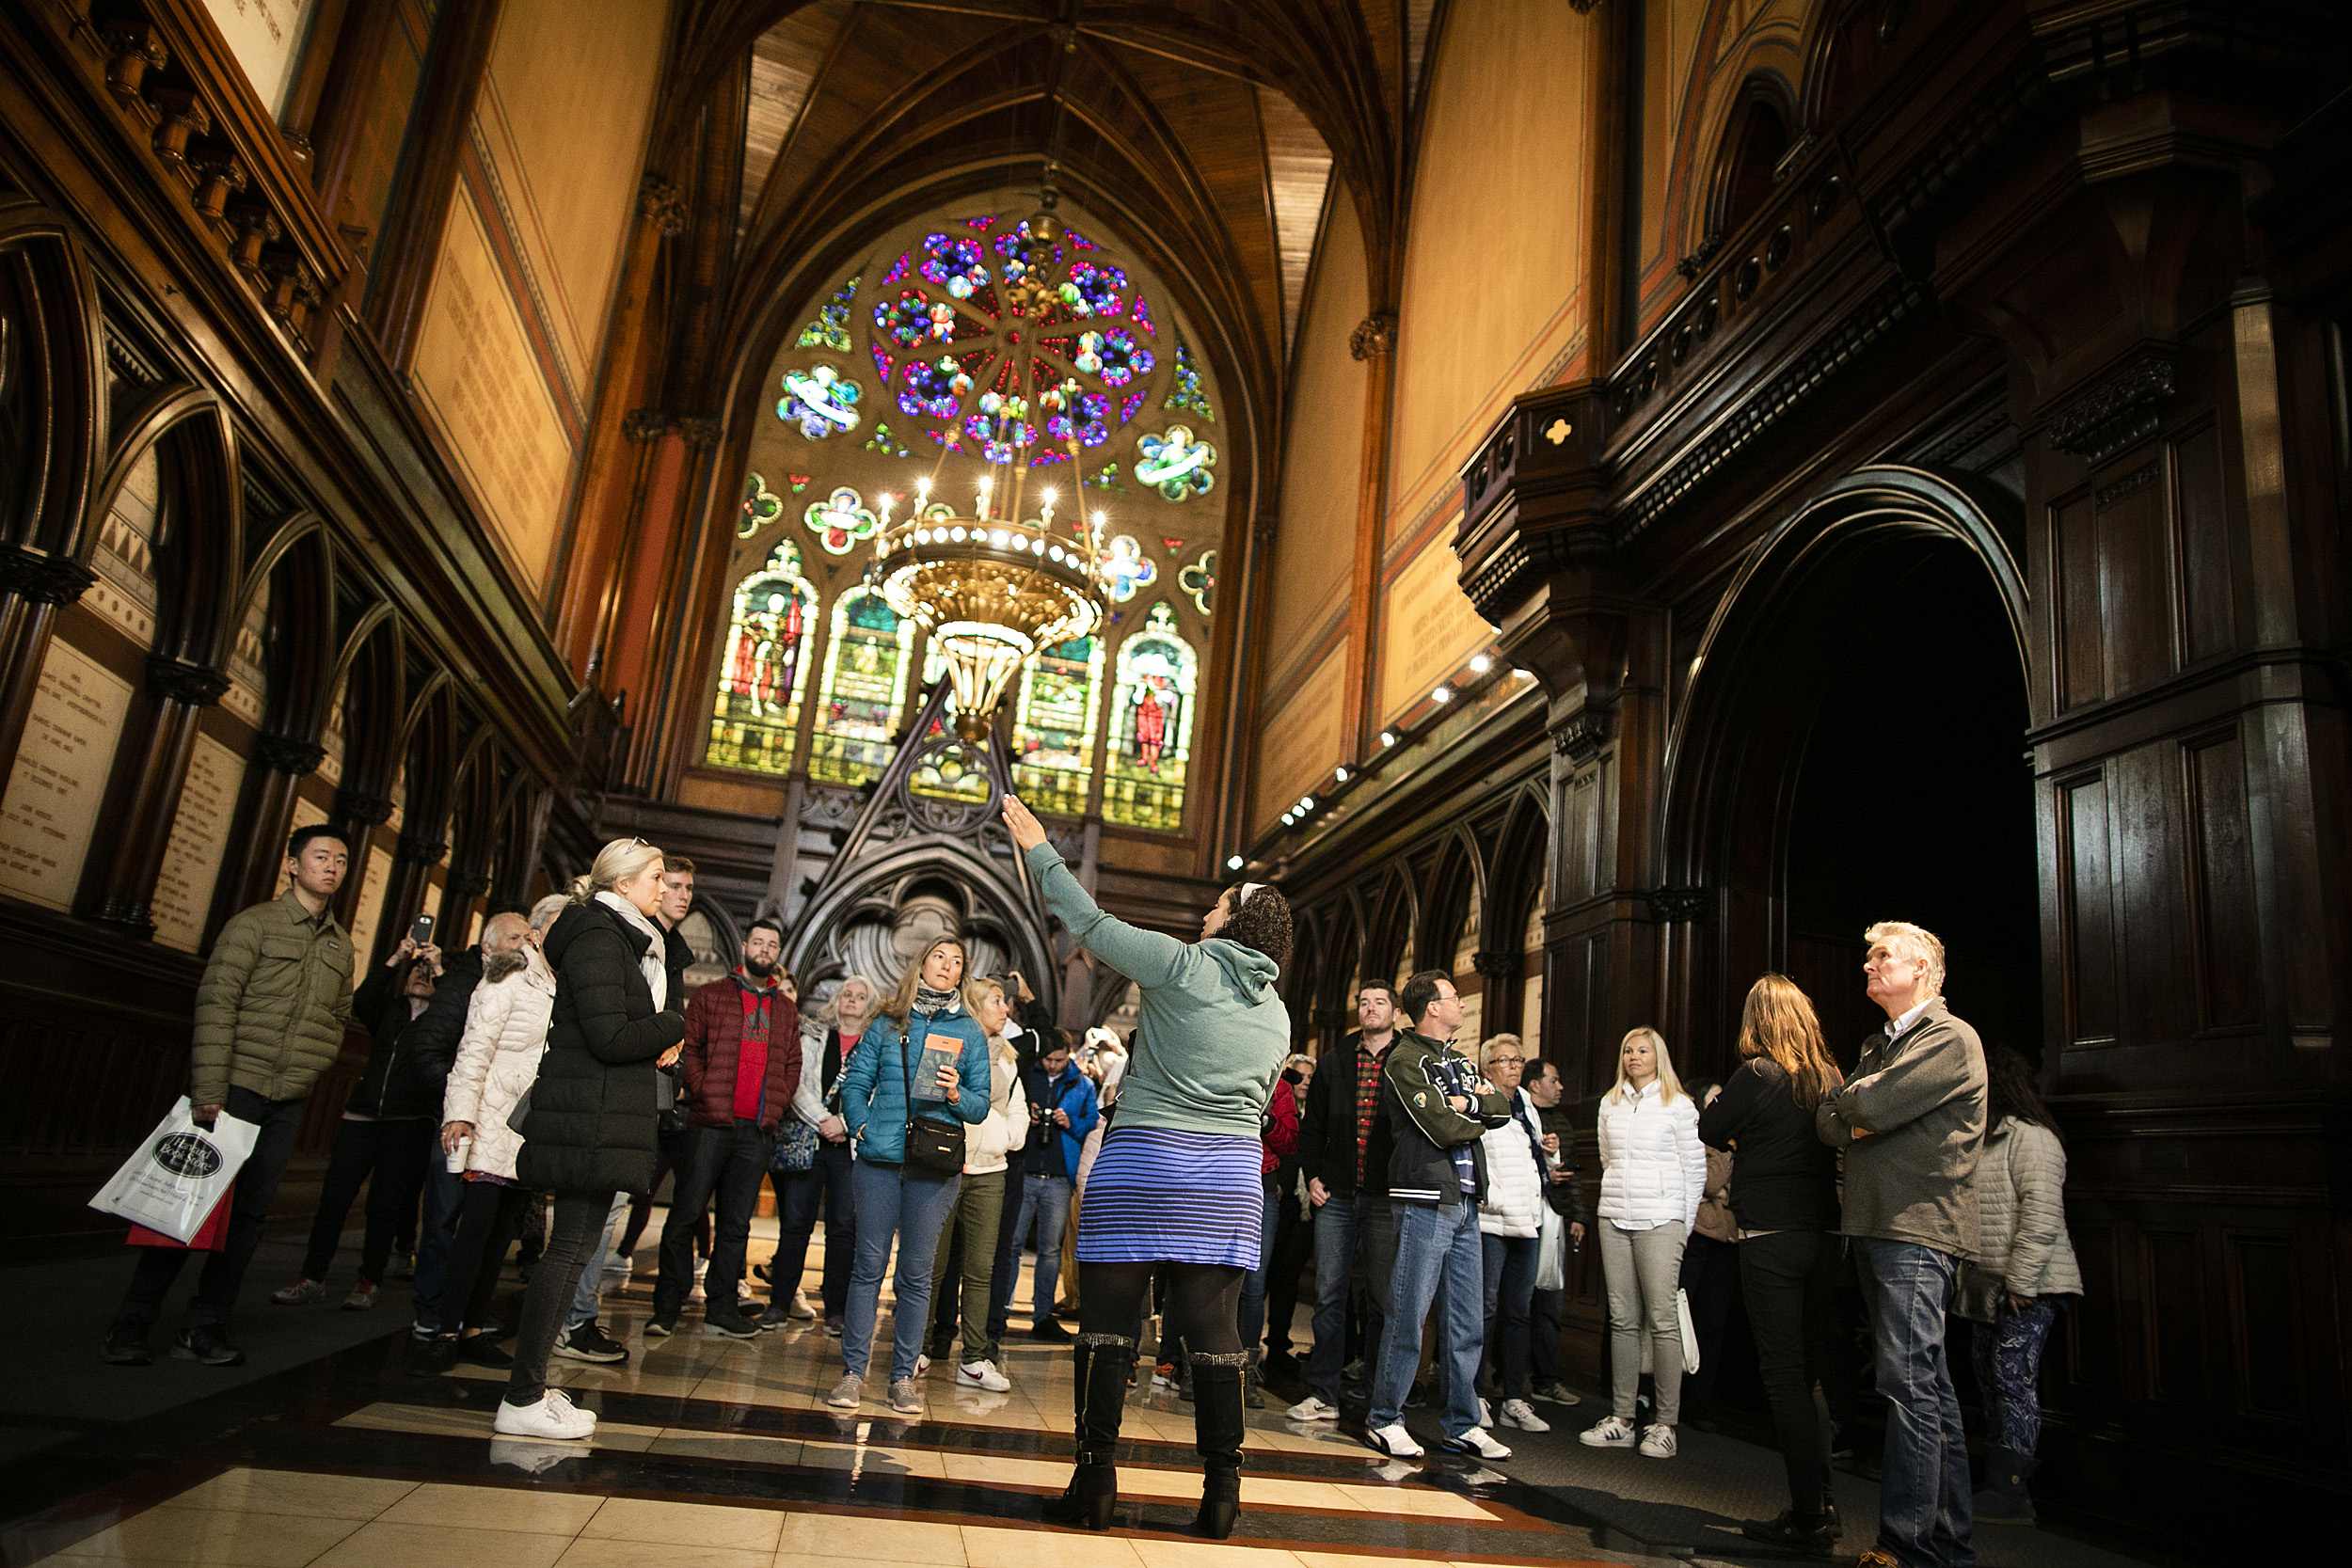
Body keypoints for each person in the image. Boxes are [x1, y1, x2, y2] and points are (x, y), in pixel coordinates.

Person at [1002, 794, 1290, 1541]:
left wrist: (1040, 849)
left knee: (1106, 1322)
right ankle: (1222, 1494)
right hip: (1227, 1175)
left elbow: (1091, 925)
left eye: (1218, 904)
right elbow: (1258, 1105)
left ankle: (1094, 1481)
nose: (1205, 913)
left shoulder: (1183, 963)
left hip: (1145, 1161)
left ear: (1237, 920)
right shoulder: (1278, 1013)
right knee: (1216, 1331)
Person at [103, 827, 356, 1368]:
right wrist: (210, 1088)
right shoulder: (254, 925)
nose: (331, 866)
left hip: (285, 1100)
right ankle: (131, 1322)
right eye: (320, 856)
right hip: (231, 1089)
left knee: (249, 1220)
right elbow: (217, 1005)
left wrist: (311, 1066)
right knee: (185, 1210)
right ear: (292, 865)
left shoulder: (340, 943)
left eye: (340, 859)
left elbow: (338, 1018)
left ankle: (203, 1326)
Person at [495, 838, 688, 1441]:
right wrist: (675, 1024)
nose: (665, 888)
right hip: (590, 1118)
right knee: (568, 1253)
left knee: (575, 1253)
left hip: (599, 1116)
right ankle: (522, 1397)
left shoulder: (614, 935)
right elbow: (609, 1036)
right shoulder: (601, 938)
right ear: (624, 883)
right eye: (657, 877)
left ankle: (533, 1389)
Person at [1816, 921, 1987, 1568]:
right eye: (1867, 955)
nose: (1868, 965)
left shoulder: (1948, 1037)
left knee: (1910, 1383)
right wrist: (1855, 1110)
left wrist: (1857, 1109)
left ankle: (1908, 1545)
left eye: (1882, 955)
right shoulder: (1880, 1043)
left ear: (1924, 969)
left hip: (1916, 1226)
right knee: (1928, 1388)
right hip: (1879, 1222)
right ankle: (1945, 1544)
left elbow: (1871, 1109)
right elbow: (1833, 1118)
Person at [1700, 974, 1849, 1551]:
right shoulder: (1828, 1076)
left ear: (1756, 1020)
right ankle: (1824, 1505)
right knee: (1807, 1373)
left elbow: (1711, 1127)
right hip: (1825, 1234)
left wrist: (1739, 1136)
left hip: (1772, 1234)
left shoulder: (1759, 1072)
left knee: (1783, 1375)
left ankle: (1808, 1520)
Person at [829, 937, 992, 1416]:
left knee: (917, 1276)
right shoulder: (886, 1020)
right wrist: (860, 1126)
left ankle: (902, 1378)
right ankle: (852, 1373)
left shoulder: (970, 1031)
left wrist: (959, 1094)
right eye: (939, 956)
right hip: (879, 1159)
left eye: (957, 961)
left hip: (934, 1165)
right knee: (867, 1268)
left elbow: (981, 1105)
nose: (947, 966)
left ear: (962, 975)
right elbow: (855, 1083)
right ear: (922, 963)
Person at [1363, 971, 1513, 1462]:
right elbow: (1442, 1127)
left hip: (1467, 1201)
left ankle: (1463, 1423)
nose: (1463, 1004)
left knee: (1467, 1321)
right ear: (1432, 1007)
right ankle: (1385, 1417)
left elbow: (1500, 1107)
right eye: (1454, 997)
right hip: (1425, 1197)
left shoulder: (1461, 1061)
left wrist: (1468, 1100)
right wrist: (1470, 1113)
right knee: (1409, 1313)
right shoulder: (1406, 1060)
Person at [416, 901, 564, 1372]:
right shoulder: (506, 977)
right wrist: (459, 1115)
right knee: (473, 1231)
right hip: (491, 1120)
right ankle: (443, 1332)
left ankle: (475, 1330)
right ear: (539, 936)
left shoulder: (564, 986)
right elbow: (473, 1049)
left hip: (527, 1129)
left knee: (502, 1234)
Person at [271, 933, 445, 1311]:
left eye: (428, 973)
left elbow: (458, 1008)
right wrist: (397, 957)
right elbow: (363, 1000)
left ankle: (369, 1280)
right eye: (417, 971)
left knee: (383, 1206)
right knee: (334, 1199)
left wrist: (441, 971)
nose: (421, 976)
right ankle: (312, 1276)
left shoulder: (442, 1023)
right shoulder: (391, 1011)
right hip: (361, 1116)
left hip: (407, 1121)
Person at [648, 915, 802, 1338]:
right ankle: (667, 1306)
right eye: (758, 942)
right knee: (685, 1214)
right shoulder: (711, 996)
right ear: (744, 947)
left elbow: (792, 1065)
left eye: (772, 944)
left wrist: (777, 1103)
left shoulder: (786, 1011)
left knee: (736, 1224)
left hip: (756, 1130)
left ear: (777, 953)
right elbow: (690, 1049)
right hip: (709, 1123)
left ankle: (721, 1307)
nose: (764, 950)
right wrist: (702, 1091)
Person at [1960, 1043, 2078, 1524]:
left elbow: (2042, 1218)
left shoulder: (2032, 1139)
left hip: (2031, 1286)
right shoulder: (1983, 1136)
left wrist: (2023, 1283)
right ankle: (2004, 1485)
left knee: (2012, 1378)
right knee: (1989, 1378)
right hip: (1990, 1286)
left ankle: (2009, 1491)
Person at [403, 903, 525, 1346]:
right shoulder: (462, 987)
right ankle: (431, 1309)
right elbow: (430, 1052)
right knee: (442, 1218)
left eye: (528, 937)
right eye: (515, 938)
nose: (524, 944)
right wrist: (463, 1106)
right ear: (489, 947)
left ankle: (463, 1310)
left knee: (482, 1228)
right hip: (457, 1123)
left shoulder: (525, 989)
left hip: (493, 1127)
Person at [1580, 1026, 1705, 1459]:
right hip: (1614, 1216)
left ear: (1659, 1057)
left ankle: (1665, 1425)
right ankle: (1622, 1418)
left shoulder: (1679, 1106)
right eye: (1628, 1049)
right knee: (1622, 1318)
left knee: (1662, 1319)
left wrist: (1681, 1227)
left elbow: (1695, 1171)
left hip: (1662, 1219)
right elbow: (1606, 1159)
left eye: (1643, 1050)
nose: (1634, 1056)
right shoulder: (1609, 1104)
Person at [1287, 983, 1401, 1422]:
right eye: (1364, 1003)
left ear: (1394, 1011)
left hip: (1385, 1196)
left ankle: (1379, 1394)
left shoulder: (1406, 1060)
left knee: (1381, 1300)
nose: (1370, 1009)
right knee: (1329, 1294)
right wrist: (1312, 1174)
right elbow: (1312, 1127)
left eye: (1380, 1003)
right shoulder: (1336, 1060)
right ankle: (1322, 1394)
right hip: (1335, 1193)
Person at [616, 858, 712, 1282]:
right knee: (614, 1198)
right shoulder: (640, 939)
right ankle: (574, 1316)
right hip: (629, 1081)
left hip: (657, 1083)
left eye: (687, 887)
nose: (680, 894)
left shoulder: (671, 949)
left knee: (622, 1197)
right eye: (670, 884)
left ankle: (579, 1313)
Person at [933, 977, 1028, 1391]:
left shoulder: (1008, 1056)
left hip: (991, 1170)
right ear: (974, 1006)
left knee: (980, 1269)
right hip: (947, 1167)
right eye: (996, 1002)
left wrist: (1006, 1138)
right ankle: (916, 1348)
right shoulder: (950, 1044)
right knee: (932, 1267)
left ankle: (974, 1358)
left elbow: (1018, 1108)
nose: (1005, 1009)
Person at [770, 974, 877, 1337]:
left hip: (849, 1148)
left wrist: (845, 1124)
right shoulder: (815, 1036)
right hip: (812, 1141)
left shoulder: (876, 1046)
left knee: (843, 1229)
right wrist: (824, 1119)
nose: (852, 1000)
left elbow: (877, 1095)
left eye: (860, 996)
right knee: (795, 1225)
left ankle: (835, 1310)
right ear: (837, 999)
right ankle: (779, 1303)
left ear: (868, 1005)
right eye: (847, 993)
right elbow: (798, 1084)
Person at [1000, 1030, 1101, 1344]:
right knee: (1012, 1245)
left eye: (1059, 1060)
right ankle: (1000, 1310)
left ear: (1069, 1055)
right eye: (1048, 1059)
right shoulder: (1028, 1076)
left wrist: (1070, 1122)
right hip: (1025, 1172)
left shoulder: (1082, 1084)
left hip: (1058, 1178)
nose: (1053, 1065)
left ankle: (1042, 1315)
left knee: (1050, 1251)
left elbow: (1093, 1123)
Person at [1474, 1035, 1549, 1433]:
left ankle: (1514, 1399)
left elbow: (1527, 1156)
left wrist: (1546, 1152)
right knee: (1484, 1310)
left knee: (1519, 1311)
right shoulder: (1481, 1098)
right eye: (1505, 1060)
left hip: (1527, 1221)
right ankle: (1476, 1394)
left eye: (1518, 1059)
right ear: (1488, 1068)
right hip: (1492, 1220)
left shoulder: (1525, 1103)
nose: (1515, 1066)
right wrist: (1496, 1199)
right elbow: (1479, 1155)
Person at [1237, 1043, 1302, 1407]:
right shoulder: (1227, 1074)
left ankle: (1245, 1373)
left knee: (1254, 1283)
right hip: (1222, 1177)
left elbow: (1290, 1141)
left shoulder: (1281, 1089)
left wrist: (1266, 1120)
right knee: (1209, 1273)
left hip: (1263, 1183)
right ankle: (1195, 1365)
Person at [1521, 1054, 1585, 1406]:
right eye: (1554, 1080)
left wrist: (1579, 1216)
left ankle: (1547, 1379)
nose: (1560, 1087)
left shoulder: (1562, 1121)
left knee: (1549, 1302)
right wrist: (1544, 1177)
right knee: (1512, 1301)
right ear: (1535, 1085)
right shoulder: (1515, 1114)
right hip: (1521, 1216)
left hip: (1555, 1218)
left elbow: (1573, 1174)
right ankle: (1505, 1377)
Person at [1677, 1077, 1740, 1429]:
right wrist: (1725, 1156)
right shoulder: (1700, 1139)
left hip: (1727, 1241)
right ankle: (1669, 1402)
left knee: (1712, 1326)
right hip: (1696, 1236)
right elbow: (1710, 1184)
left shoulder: (1735, 1141)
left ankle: (1700, 1407)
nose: (1722, 1107)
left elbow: (1737, 1190)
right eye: (1714, 1101)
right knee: (1681, 1322)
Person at [1261, 1056, 1316, 1371]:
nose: (1305, 1081)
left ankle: (1278, 1347)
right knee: (1261, 1279)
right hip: (1275, 1196)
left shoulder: (1312, 1114)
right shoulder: (1277, 1103)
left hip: (1302, 1207)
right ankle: (1248, 1345)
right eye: (1300, 1076)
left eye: (1310, 1077)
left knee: (1287, 1279)